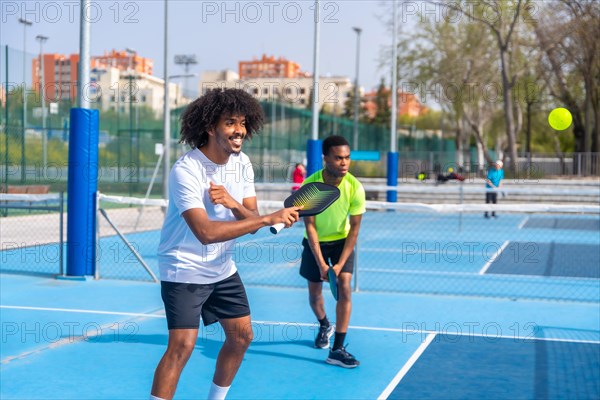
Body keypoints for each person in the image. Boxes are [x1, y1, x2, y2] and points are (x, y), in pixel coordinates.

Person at [150, 88, 300, 400]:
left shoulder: (242, 163)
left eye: (243, 123)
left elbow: (251, 219)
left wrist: (234, 204)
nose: (239, 130)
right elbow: (204, 232)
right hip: (184, 269)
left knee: (242, 336)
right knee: (182, 347)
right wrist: (266, 218)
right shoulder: (186, 170)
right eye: (230, 122)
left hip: (222, 268)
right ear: (210, 126)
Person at [299, 135, 366, 368]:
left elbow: (355, 229)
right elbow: (310, 226)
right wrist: (320, 263)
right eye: (338, 158)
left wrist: (338, 266)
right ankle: (324, 324)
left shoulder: (355, 187)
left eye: (347, 158)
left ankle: (337, 348)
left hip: (341, 242)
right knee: (315, 295)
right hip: (315, 242)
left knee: (345, 286)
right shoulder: (311, 186)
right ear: (325, 158)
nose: (344, 163)